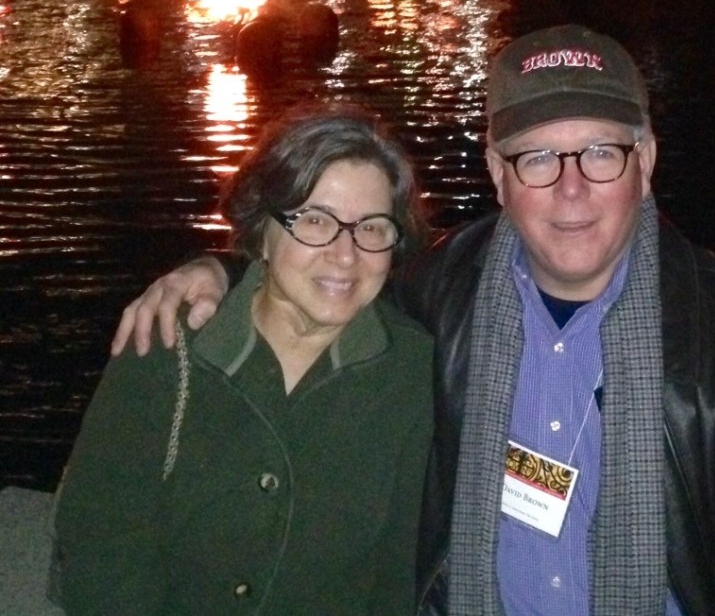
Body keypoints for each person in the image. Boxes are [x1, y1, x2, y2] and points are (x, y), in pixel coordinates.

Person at [112, 25, 715, 614]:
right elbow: (331, 280)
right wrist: (227, 271)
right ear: (497, 173)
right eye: (537, 159)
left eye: (600, 153)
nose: (571, 189)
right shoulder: (438, 293)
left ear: (645, 162)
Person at [53, 103, 434, 614]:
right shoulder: (168, 343)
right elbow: (101, 543)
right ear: (262, 232)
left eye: (371, 228)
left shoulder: (410, 370)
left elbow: (395, 572)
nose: (346, 255)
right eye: (315, 221)